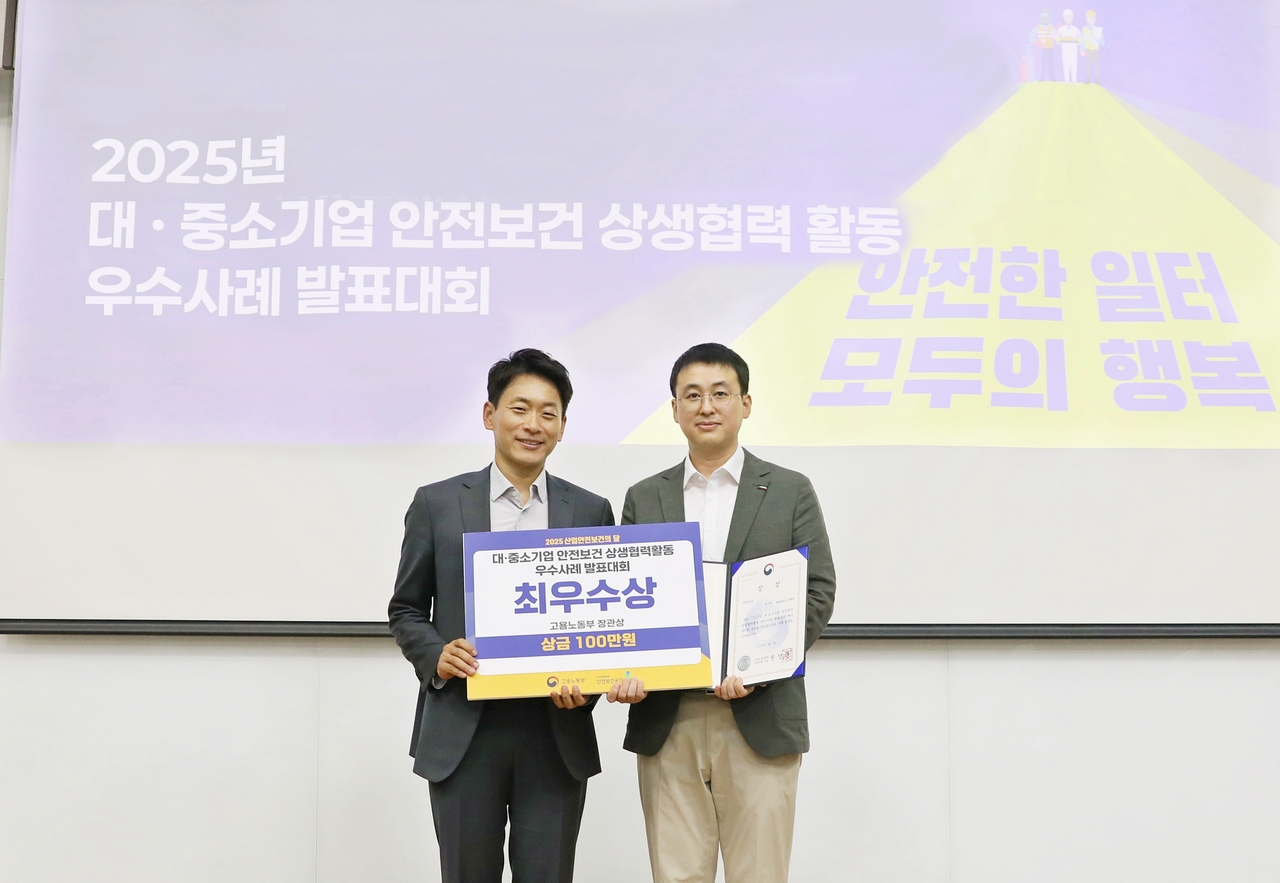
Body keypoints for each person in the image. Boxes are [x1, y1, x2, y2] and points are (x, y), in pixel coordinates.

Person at [606, 342, 837, 883]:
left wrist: (760, 667)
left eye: (720, 394)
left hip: (760, 715)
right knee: (677, 875)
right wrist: (625, 667)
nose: (706, 407)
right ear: (674, 409)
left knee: (759, 873)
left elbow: (817, 591)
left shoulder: (789, 490)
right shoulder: (644, 497)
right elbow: (624, 603)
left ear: (745, 403)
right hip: (668, 718)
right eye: (692, 395)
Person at [388, 348, 616, 883]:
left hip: (554, 731)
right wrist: (437, 654)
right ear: (490, 415)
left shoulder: (590, 511)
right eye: (520, 408)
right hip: (465, 730)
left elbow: (604, 623)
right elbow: (406, 608)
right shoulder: (438, 503)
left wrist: (589, 686)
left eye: (548, 413)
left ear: (562, 427)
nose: (533, 424)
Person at [1030, 11, 1057, 81]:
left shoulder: (1052, 27)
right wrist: (1037, 43)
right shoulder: (1038, 27)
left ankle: (1052, 78)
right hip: (1042, 49)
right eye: (1043, 18)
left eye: (1046, 18)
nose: (1045, 19)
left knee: (1051, 63)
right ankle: (1042, 78)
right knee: (1042, 64)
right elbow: (1031, 36)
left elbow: (1056, 37)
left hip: (1050, 48)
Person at [1057, 9, 1082, 83]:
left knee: (1074, 65)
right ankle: (1066, 80)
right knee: (1066, 64)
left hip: (1073, 50)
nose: (1068, 19)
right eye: (1066, 17)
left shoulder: (1075, 28)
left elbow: (1080, 37)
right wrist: (1059, 40)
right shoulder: (1062, 28)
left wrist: (1078, 41)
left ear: (1072, 18)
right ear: (1064, 18)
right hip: (1065, 50)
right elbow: (1057, 36)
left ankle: (1074, 80)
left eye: (1070, 17)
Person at [1081, 9, 1104, 84]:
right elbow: (1082, 40)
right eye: (1089, 18)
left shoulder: (1098, 30)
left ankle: (1097, 80)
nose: (1091, 20)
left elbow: (1102, 42)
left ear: (1095, 19)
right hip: (1088, 50)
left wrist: (1097, 39)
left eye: (1092, 19)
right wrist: (1082, 49)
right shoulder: (1084, 29)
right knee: (1088, 65)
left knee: (1096, 65)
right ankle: (1088, 79)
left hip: (1095, 50)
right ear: (1086, 19)